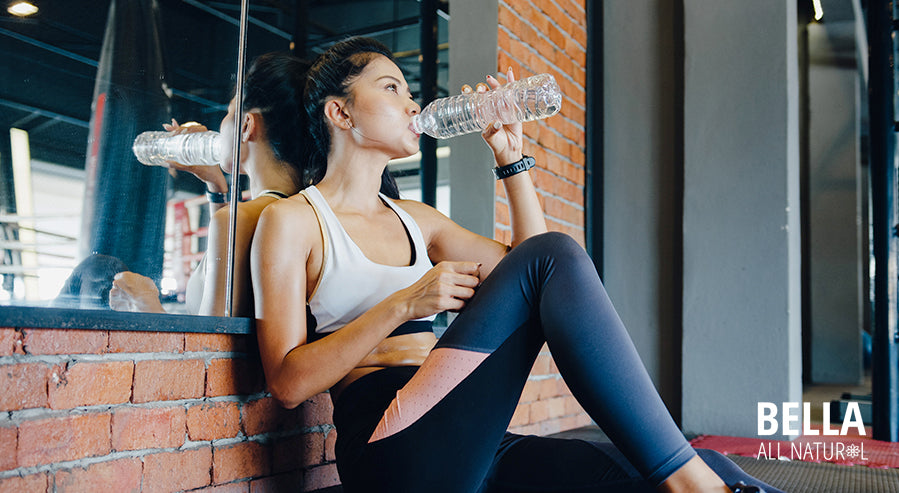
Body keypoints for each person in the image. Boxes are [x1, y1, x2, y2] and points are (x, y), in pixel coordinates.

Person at [251, 37, 782, 493]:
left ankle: (690, 477)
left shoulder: (419, 220)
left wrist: (511, 158)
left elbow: (538, 281)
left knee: (711, 467)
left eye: (409, 90)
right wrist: (404, 305)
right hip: (392, 451)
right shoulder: (292, 221)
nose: (413, 103)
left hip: (469, 438)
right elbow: (289, 383)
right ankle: (686, 479)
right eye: (392, 88)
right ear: (339, 113)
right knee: (685, 474)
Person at [109, 52, 310, 317]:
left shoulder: (243, 220)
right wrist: (215, 185)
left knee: (101, 270)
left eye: (229, 112)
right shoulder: (307, 209)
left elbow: (208, 348)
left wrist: (147, 304)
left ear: (246, 125)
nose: (222, 123)